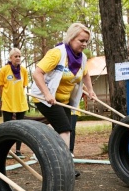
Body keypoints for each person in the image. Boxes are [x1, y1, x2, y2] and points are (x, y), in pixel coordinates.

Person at [31, 22, 97, 178]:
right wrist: (47, 94)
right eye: (81, 40)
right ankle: (64, 167)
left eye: (87, 41)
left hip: (64, 99)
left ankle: (48, 153)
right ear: (71, 38)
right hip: (45, 98)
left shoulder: (82, 58)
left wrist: (91, 90)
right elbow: (37, 73)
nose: (84, 44)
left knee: (65, 129)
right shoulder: (57, 53)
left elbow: (85, 74)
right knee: (65, 130)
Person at [0, 48, 29, 158]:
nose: (18, 58)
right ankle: (6, 150)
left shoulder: (24, 70)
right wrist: (5, 98)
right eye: (16, 56)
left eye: (19, 56)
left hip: (21, 103)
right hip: (8, 103)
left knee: (20, 128)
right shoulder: (4, 70)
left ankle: (18, 150)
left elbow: (23, 86)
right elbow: (0, 87)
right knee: (7, 128)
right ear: (10, 58)